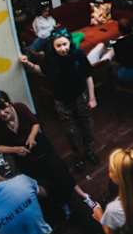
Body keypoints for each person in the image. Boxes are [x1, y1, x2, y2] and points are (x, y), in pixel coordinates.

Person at [0, 89, 91, 220]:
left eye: (4, 108)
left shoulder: (20, 108)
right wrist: (15, 149)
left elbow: (35, 123)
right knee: (42, 183)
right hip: (24, 158)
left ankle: (81, 194)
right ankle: (61, 204)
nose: (2, 113)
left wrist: (31, 137)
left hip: (40, 147)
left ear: (9, 103)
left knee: (59, 170)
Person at [19, 28, 98, 168]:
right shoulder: (50, 58)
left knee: (87, 125)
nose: (63, 48)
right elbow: (42, 71)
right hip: (61, 100)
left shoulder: (78, 54)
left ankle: (90, 151)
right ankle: (78, 156)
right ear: (53, 46)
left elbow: (88, 76)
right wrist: (27, 64)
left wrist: (92, 98)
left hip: (80, 96)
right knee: (70, 131)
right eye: (59, 45)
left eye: (65, 44)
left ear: (69, 43)